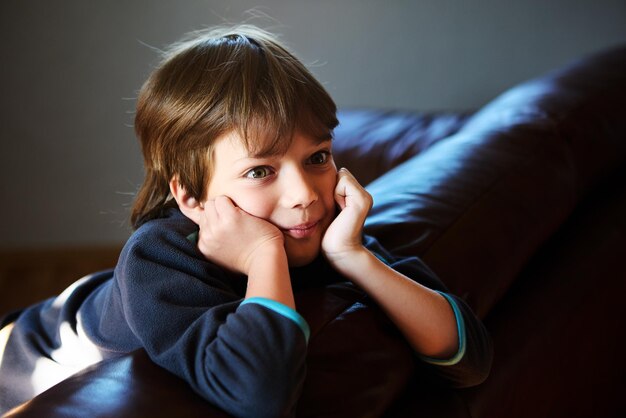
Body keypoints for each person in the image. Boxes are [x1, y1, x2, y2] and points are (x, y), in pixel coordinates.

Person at [0, 25, 492, 416]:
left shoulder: (324, 230)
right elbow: (259, 394)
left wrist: (354, 256)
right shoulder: (158, 254)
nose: (304, 195)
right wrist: (263, 254)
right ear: (191, 195)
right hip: (30, 346)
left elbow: (469, 362)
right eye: (261, 170)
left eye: (317, 157)